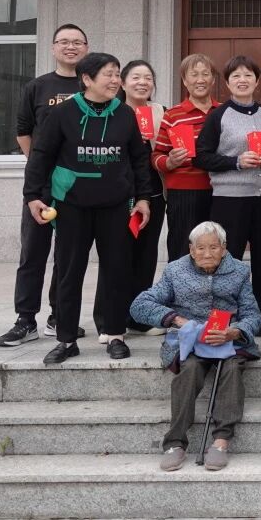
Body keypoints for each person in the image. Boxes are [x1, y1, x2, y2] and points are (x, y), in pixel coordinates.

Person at [22, 52, 153, 365]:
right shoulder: (63, 113)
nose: (115, 80)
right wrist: (33, 196)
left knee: (117, 270)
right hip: (72, 206)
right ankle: (66, 339)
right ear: (87, 79)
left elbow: (138, 159)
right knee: (69, 272)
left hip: (116, 206)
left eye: (117, 74)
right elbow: (41, 155)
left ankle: (115, 335)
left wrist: (144, 198)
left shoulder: (125, 114)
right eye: (108, 74)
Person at [130, 221, 261, 472]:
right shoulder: (175, 271)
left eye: (214, 247)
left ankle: (221, 439)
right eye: (201, 248)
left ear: (224, 248)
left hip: (226, 339)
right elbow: (139, 305)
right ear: (191, 250)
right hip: (189, 341)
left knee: (232, 368)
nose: (207, 253)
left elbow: (253, 315)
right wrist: (176, 320)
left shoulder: (239, 271)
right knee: (189, 369)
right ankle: (175, 442)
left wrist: (235, 331)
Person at [0, 23, 90, 347]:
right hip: (41, 186)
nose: (70, 47)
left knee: (68, 255)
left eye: (77, 42)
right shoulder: (37, 86)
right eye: (64, 41)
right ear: (53, 48)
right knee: (33, 252)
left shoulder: (92, 85)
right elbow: (23, 130)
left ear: (86, 48)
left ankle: (58, 317)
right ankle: (25, 320)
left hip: (77, 185)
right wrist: (39, 166)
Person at [194, 55, 261, 339]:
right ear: (227, 83)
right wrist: (237, 161)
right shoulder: (218, 115)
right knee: (228, 257)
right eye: (235, 76)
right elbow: (202, 157)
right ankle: (226, 315)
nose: (242, 80)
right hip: (229, 198)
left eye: (248, 75)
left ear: (257, 81)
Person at [153, 54, 219, 261]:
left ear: (213, 79)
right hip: (184, 191)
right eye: (194, 75)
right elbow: (157, 155)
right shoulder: (173, 115)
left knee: (218, 247)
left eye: (205, 74)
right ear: (184, 80)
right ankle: (180, 283)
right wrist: (169, 162)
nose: (200, 80)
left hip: (221, 189)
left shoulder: (223, 112)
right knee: (182, 247)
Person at [119, 59, 167, 337]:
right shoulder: (113, 112)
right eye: (136, 77)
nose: (142, 83)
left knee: (146, 255)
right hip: (121, 196)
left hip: (154, 193)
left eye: (147, 78)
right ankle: (113, 315)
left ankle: (139, 316)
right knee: (120, 255)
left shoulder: (162, 112)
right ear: (123, 83)